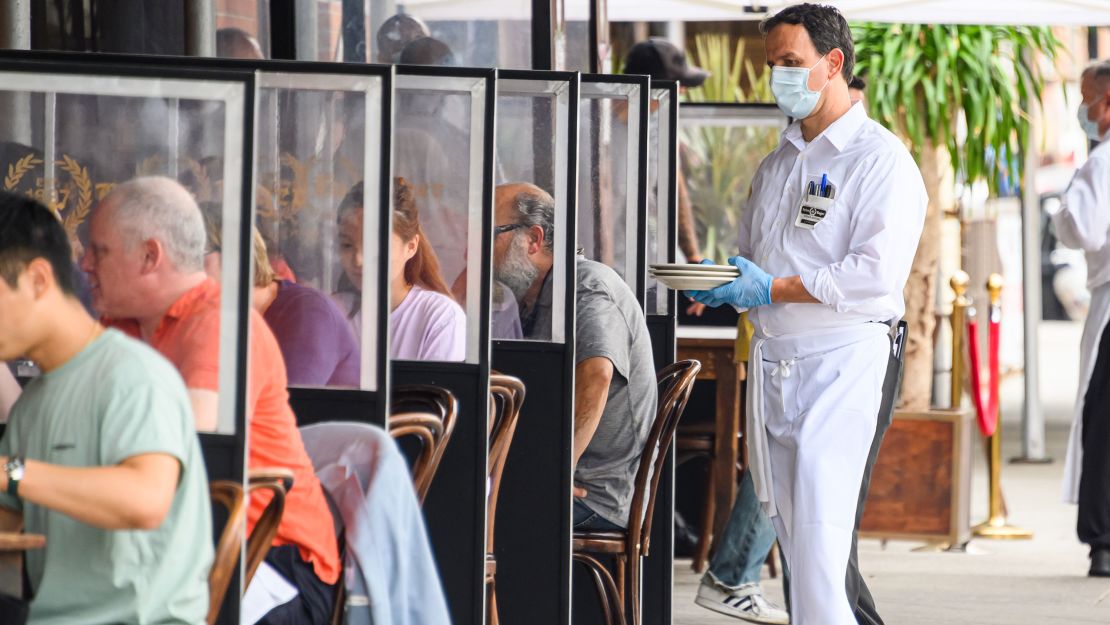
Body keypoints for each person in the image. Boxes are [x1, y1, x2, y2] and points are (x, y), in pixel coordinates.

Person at [688, 5, 926, 625]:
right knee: (796, 547)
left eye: (791, 63)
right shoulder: (778, 163)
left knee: (821, 549)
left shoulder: (881, 161)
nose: (779, 79)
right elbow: (753, 255)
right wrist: (724, 281)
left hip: (844, 362)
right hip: (775, 366)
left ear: (834, 63)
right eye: (772, 66)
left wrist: (771, 288)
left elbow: (874, 277)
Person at [80, 176, 340, 624]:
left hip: (272, 563)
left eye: (98, 251)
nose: (84, 264)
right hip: (181, 547)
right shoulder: (122, 325)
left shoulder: (217, 325)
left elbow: (188, 470)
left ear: (149, 256)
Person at [0, 192, 212, 623]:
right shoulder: (33, 406)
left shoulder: (133, 375)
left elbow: (146, 499)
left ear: (37, 280)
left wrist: (11, 472)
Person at [492, 183, 657, 529]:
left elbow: (597, 376)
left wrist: (555, 474)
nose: (475, 248)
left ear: (533, 240)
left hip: (593, 496)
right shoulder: (531, 296)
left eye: (490, 233)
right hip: (551, 479)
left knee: (459, 513)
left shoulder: (587, 286)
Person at [1054, 60, 1110, 577]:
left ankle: (1104, 541)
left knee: (1102, 419)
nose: (1083, 110)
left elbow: (1086, 232)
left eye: (1087, 98)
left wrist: (1060, 212)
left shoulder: (1101, 163)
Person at [334, 179, 466, 362]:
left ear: (411, 246)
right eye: (347, 245)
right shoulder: (332, 312)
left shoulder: (440, 317)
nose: (358, 259)